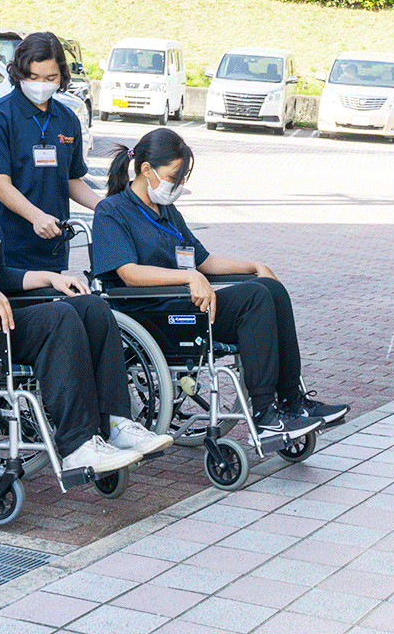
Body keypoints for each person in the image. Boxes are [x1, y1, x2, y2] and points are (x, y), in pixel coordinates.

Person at [0, 109, 173, 475]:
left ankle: (116, 423)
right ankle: (77, 444)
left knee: (89, 306)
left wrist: (49, 279)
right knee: (59, 318)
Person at [90, 128, 350, 440]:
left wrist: (255, 265)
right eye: (175, 175)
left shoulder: (168, 212)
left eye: (183, 176)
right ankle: (266, 414)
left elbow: (204, 261)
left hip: (191, 310)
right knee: (254, 297)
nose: (179, 184)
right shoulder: (112, 210)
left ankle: (293, 403)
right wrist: (188, 277)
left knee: (270, 289)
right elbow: (129, 273)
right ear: (146, 170)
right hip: (152, 316)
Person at [0, 32, 99, 272]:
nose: (41, 85)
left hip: (51, 246)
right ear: (19, 73)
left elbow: (72, 180)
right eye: (33, 77)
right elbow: (0, 185)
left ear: (62, 77)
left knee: (51, 309)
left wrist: (106, 207)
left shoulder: (67, 119)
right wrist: (36, 216)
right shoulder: (0, 116)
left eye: (50, 78)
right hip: (9, 247)